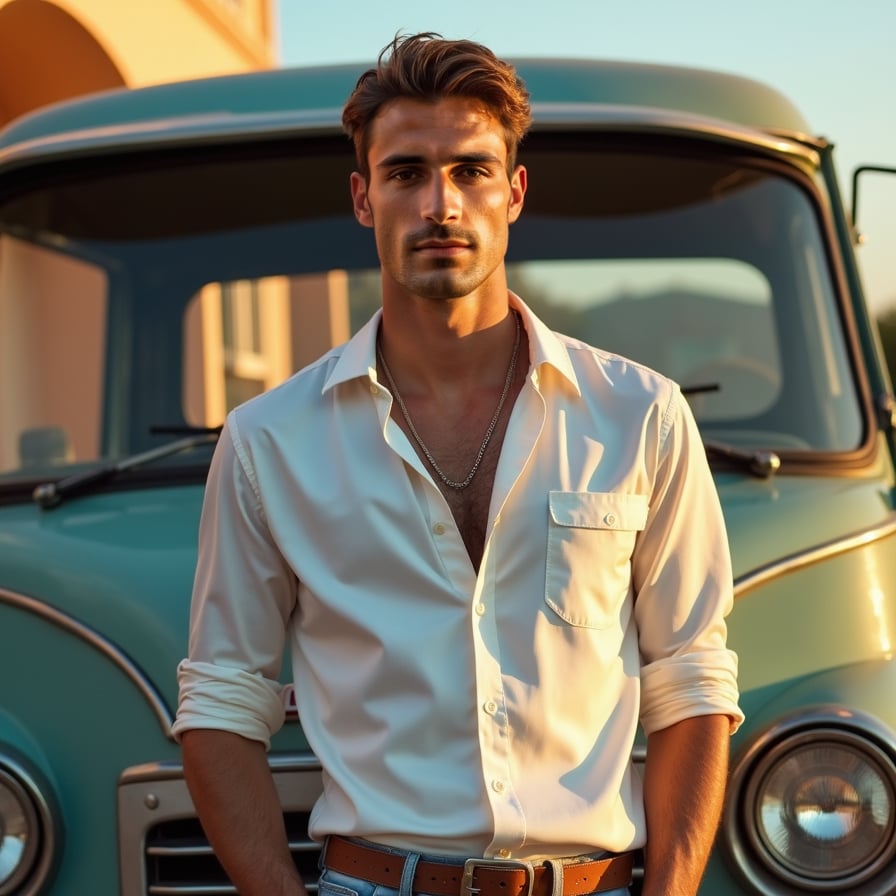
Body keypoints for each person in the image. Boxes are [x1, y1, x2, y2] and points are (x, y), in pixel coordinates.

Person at [173, 32, 743, 896]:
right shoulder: (268, 440)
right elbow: (219, 705)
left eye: (471, 170)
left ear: (513, 192)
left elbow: (690, 682)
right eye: (406, 172)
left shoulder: (640, 415)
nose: (441, 204)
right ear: (364, 198)